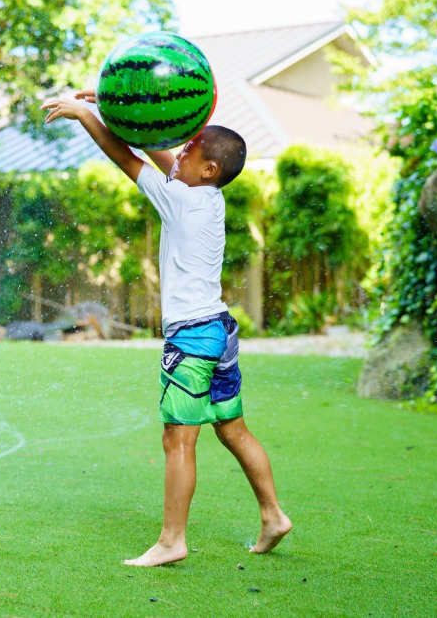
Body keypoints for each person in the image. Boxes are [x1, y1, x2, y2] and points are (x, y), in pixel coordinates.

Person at [41, 91, 292, 566]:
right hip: (219, 329)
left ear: (208, 169)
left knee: (178, 440)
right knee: (233, 429)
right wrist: (125, 104)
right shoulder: (208, 196)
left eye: (187, 151)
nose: (175, 156)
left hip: (193, 338)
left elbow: (125, 155)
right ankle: (273, 515)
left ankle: (172, 541)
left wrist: (85, 116)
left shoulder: (180, 199)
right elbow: (155, 147)